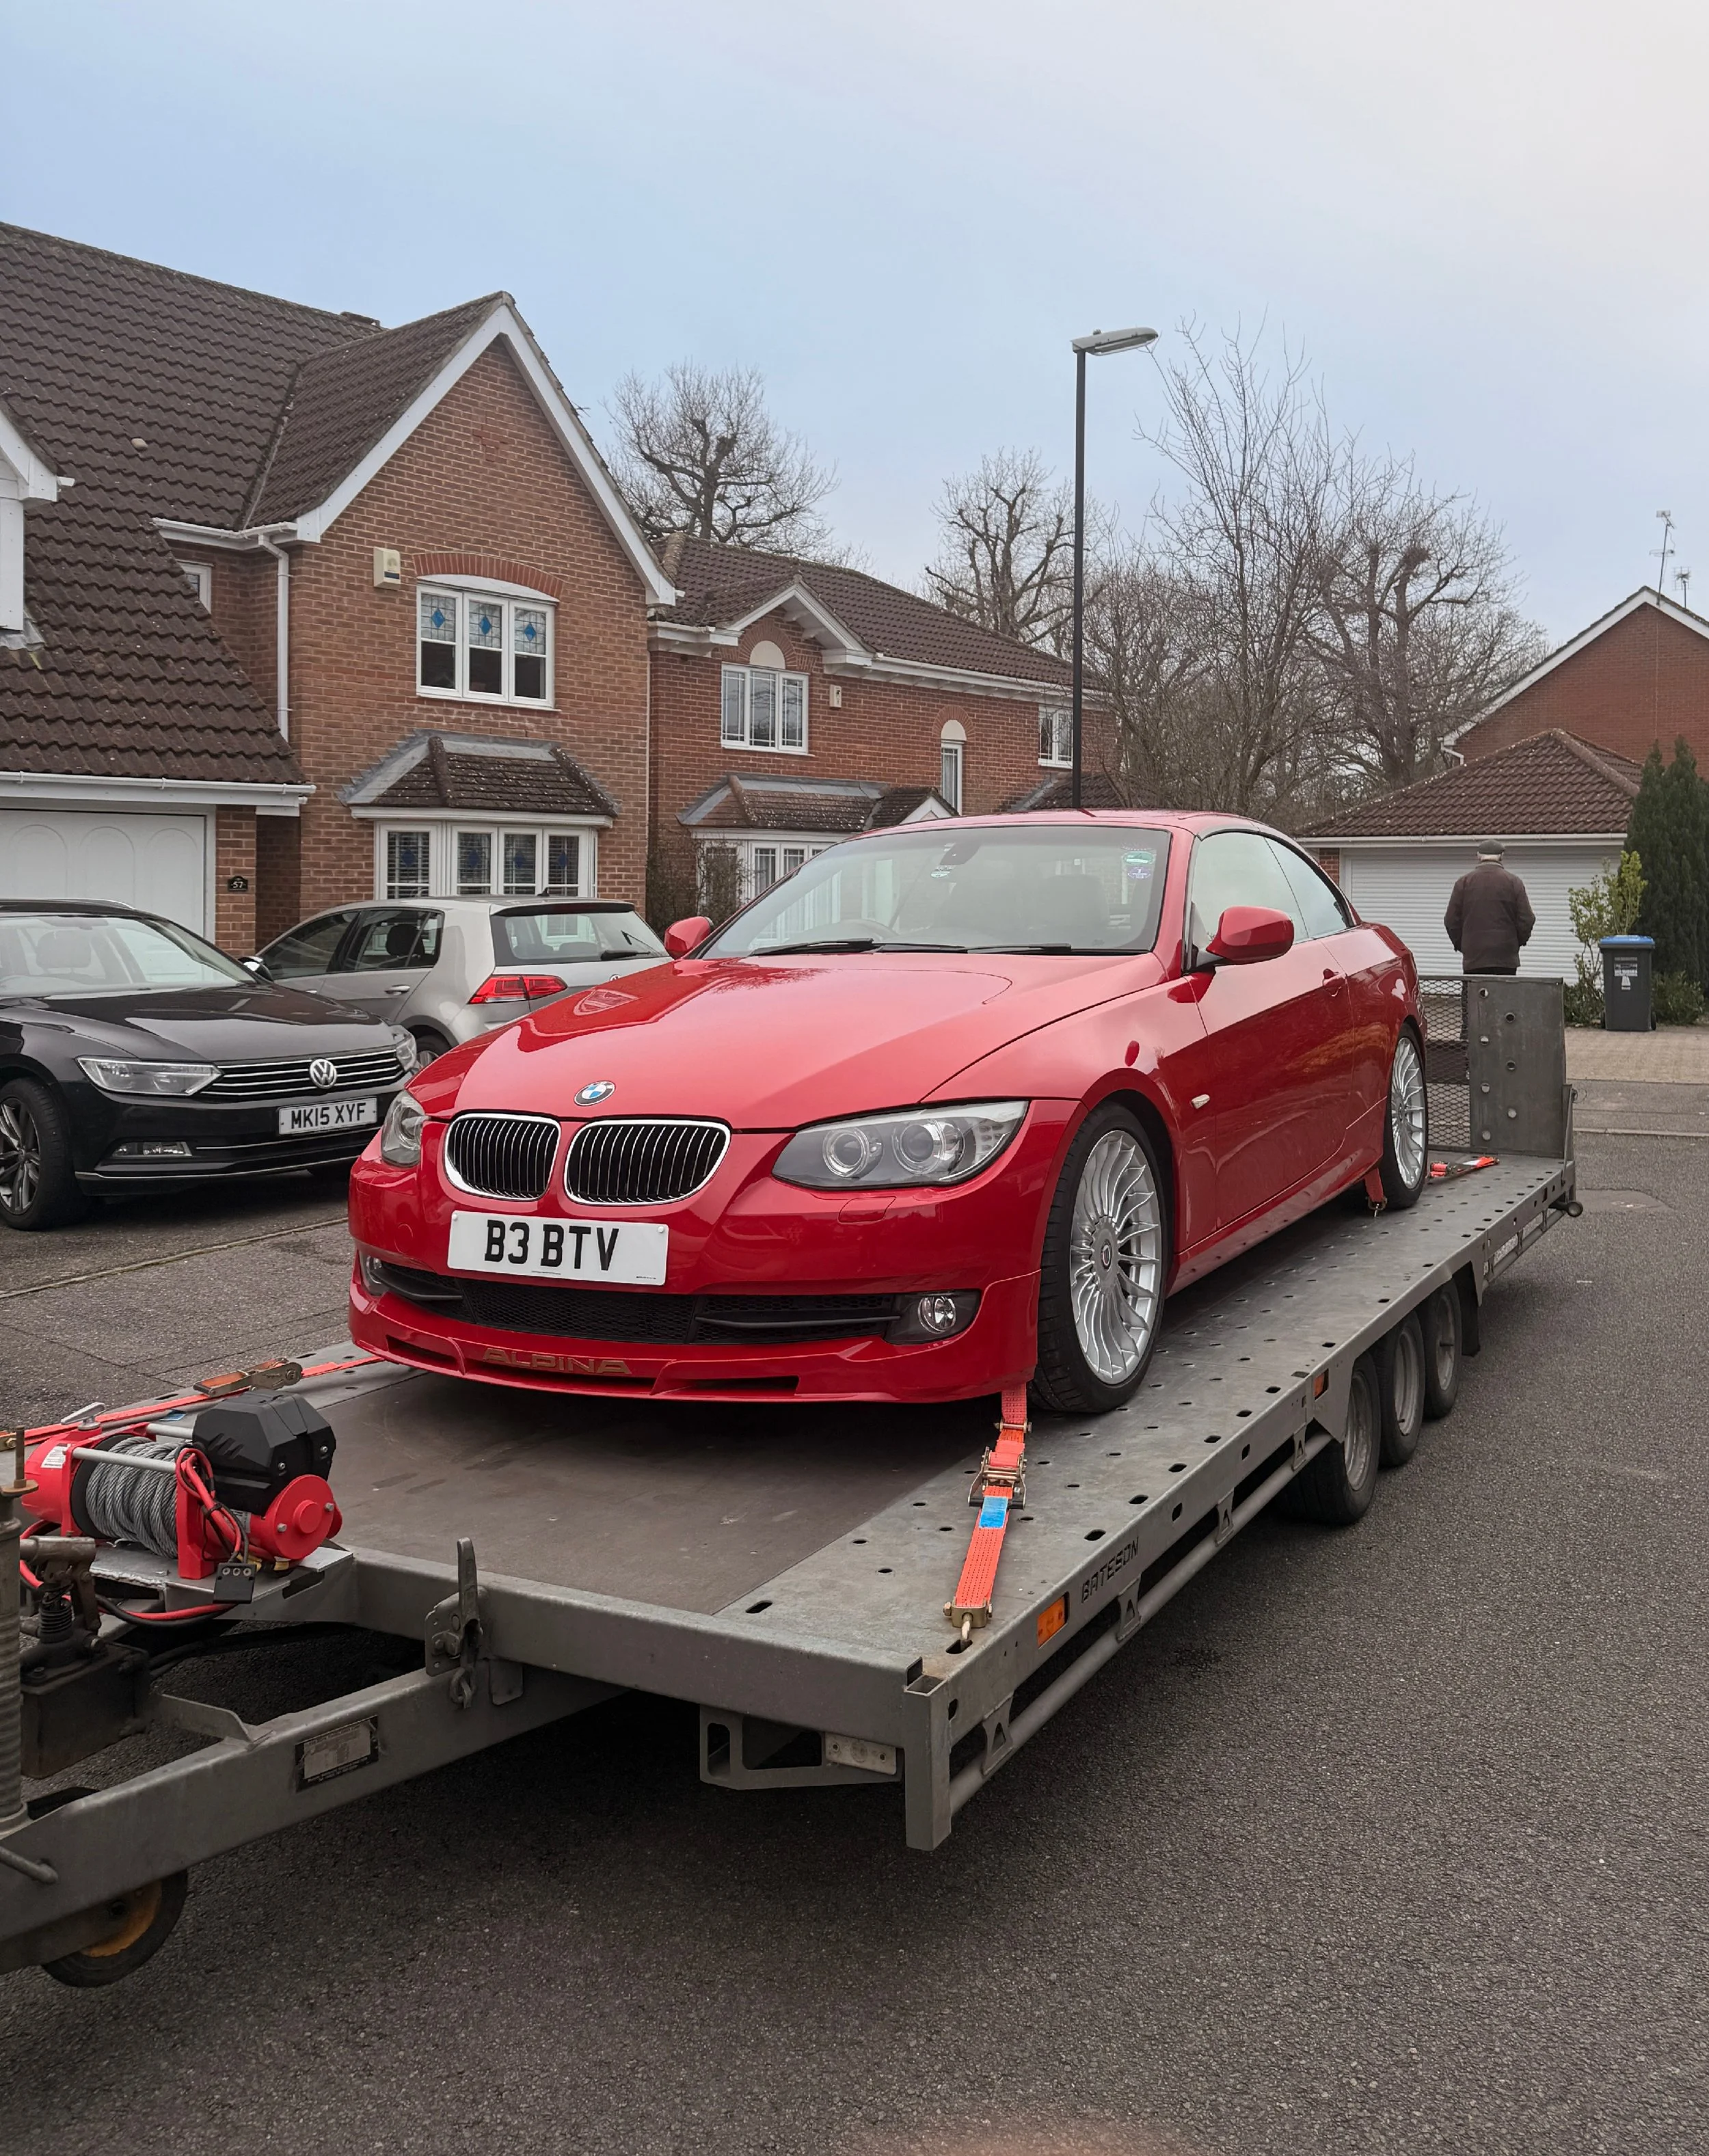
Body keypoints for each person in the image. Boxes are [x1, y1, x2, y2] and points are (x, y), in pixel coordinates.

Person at [1444, 840, 1535, 975]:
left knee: (1475, 989)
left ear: (1478, 856)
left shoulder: (1463, 883)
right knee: (1504, 989)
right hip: (1506, 957)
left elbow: (1451, 920)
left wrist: (1463, 944)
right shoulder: (1514, 882)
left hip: (1474, 957)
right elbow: (1527, 919)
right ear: (1501, 856)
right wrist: (1516, 942)